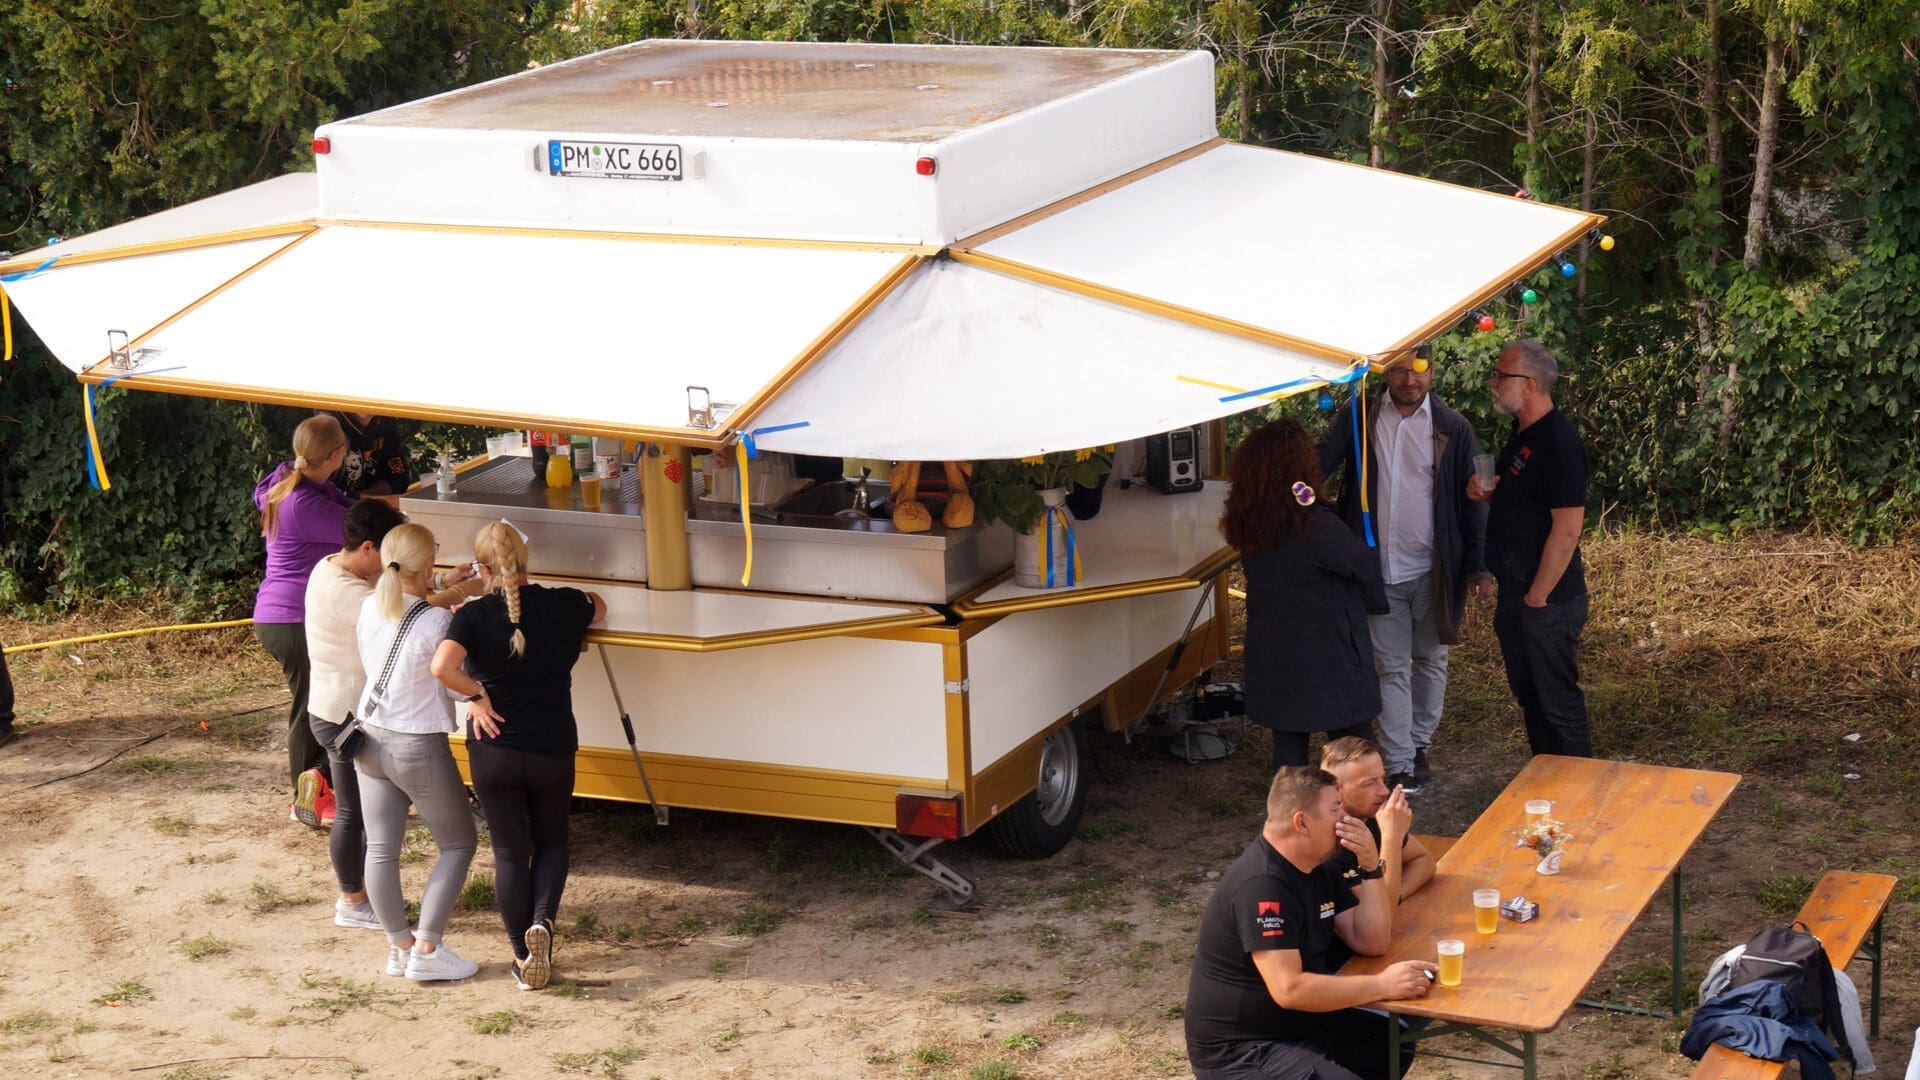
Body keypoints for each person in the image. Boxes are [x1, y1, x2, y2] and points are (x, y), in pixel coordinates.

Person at [433, 523, 606, 990]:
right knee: (552, 840)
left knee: (510, 853)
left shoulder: (471, 617)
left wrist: (475, 695)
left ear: (482, 568)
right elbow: (599, 605)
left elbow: (442, 666)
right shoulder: (563, 604)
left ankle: (520, 957)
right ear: (525, 561)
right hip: (552, 747)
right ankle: (544, 924)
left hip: (494, 750)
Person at [1185, 766, 1435, 1079]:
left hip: (1301, 1024)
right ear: (1302, 822)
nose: (1346, 819)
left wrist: (1371, 867)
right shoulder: (1263, 885)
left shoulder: (1319, 865)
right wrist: (1380, 985)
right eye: (1335, 809)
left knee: (1388, 1042)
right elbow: (1289, 989)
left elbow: (1370, 940)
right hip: (1243, 1050)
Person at [1317, 343, 1489, 791]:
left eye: (1418, 370)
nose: (1409, 381)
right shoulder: (1360, 417)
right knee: (1390, 666)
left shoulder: (1452, 426)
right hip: (1377, 568)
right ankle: (1399, 762)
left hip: (1434, 570)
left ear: (1431, 372)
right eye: (1399, 371)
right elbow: (1318, 464)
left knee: (1431, 659)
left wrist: (1477, 565)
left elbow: (1473, 503)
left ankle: (1418, 745)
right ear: (1383, 373)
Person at [303, 500, 479, 923]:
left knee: (379, 838)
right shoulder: (355, 596)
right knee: (352, 815)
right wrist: (456, 594)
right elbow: (409, 611)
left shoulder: (329, 565)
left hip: (350, 710)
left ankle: (389, 929)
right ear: (368, 549)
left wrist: (439, 578)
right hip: (348, 715)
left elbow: (401, 587)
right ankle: (352, 900)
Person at [1222, 419, 1387, 772]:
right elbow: (1363, 565)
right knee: (1357, 762)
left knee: (1290, 763)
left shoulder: (1250, 519)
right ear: (1299, 465)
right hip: (1327, 659)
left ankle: (1290, 824)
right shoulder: (1311, 523)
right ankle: (1373, 827)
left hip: (1276, 656)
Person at [354, 522, 479, 982]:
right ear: (428, 564)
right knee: (458, 844)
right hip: (416, 744)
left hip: (369, 737)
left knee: (383, 848)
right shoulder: (437, 622)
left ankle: (399, 946)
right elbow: (455, 677)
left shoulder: (371, 607)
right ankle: (428, 946)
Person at [1466, 340, 1592, 758]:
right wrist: (1485, 493)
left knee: (1559, 704)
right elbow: (1517, 496)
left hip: (1547, 600)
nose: (1493, 383)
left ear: (1530, 386)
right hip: (1515, 589)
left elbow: (1569, 528)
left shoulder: (1559, 442)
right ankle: (1549, 781)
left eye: (1502, 376)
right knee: (1532, 698)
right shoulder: (1521, 433)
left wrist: (1538, 595)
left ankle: (1580, 794)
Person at [254, 414, 355, 801]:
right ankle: (308, 795)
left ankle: (320, 785)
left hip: (285, 615)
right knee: (313, 704)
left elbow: (352, 507)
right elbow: (359, 528)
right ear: (335, 454)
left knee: (319, 699)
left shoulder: (294, 484)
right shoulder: (302, 502)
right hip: (291, 617)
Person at [1319, 737, 1435, 904]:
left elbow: (1424, 861)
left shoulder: (1369, 816)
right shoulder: (1328, 843)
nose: (1384, 791)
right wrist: (1392, 837)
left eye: (1381, 778)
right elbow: (1382, 910)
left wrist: (1398, 894)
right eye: (1369, 783)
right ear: (1337, 789)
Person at [330, 412, 412, 498]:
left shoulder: (385, 421)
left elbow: (399, 478)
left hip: (372, 507)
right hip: (332, 508)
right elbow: (321, 490)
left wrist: (368, 499)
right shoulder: (328, 425)